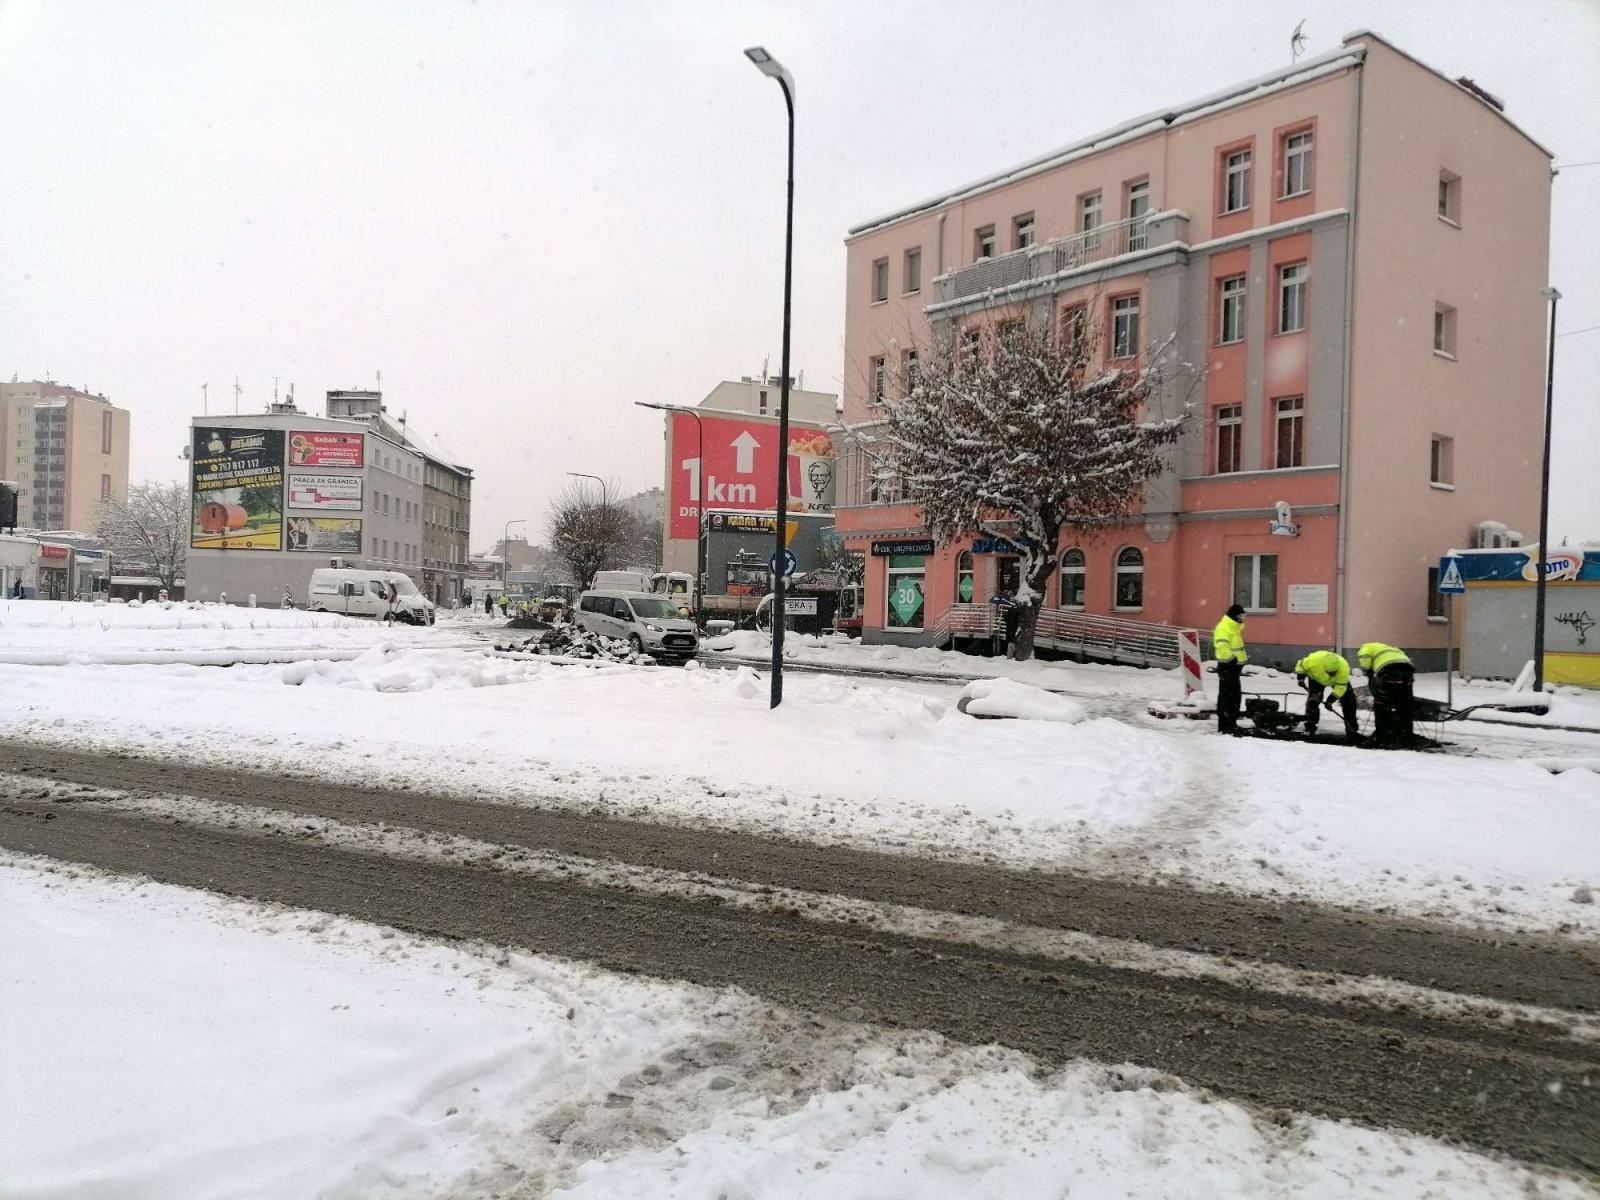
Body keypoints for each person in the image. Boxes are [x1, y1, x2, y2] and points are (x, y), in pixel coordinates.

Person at [1293, 650, 1360, 741]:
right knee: (1312, 702)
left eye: (1334, 673)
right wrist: (1300, 678)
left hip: (1337, 682)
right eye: (1330, 673)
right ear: (1324, 667)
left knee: (1349, 701)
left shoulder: (1343, 668)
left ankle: (1352, 730)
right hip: (1316, 679)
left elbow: (1340, 688)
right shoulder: (1314, 660)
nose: (1331, 675)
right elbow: (1300, 665)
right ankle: (1310, 727)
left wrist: (1330, 700)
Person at [1358, 642, 1415, 745]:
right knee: (1404, 704)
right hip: (1407, 671)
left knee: (1381, 704)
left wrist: (1374, 687)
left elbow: (1366, 666)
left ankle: (1382, 736)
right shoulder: (1391, 648)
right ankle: (1406, 735)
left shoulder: (1365, 648)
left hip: (1389, 672)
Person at [1212, 604, 1248, 733]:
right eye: (1240, 616)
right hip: (1228, 666)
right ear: (1234, 616)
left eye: (1244, 616)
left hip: (1234, 667)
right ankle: (1225, 724)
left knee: (1234, 696)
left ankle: (1231, 722)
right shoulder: (1224, 627)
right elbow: (1221, 646)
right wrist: (1232, 659)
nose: (1242, 618)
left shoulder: (1234, 628)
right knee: (1227, 696)